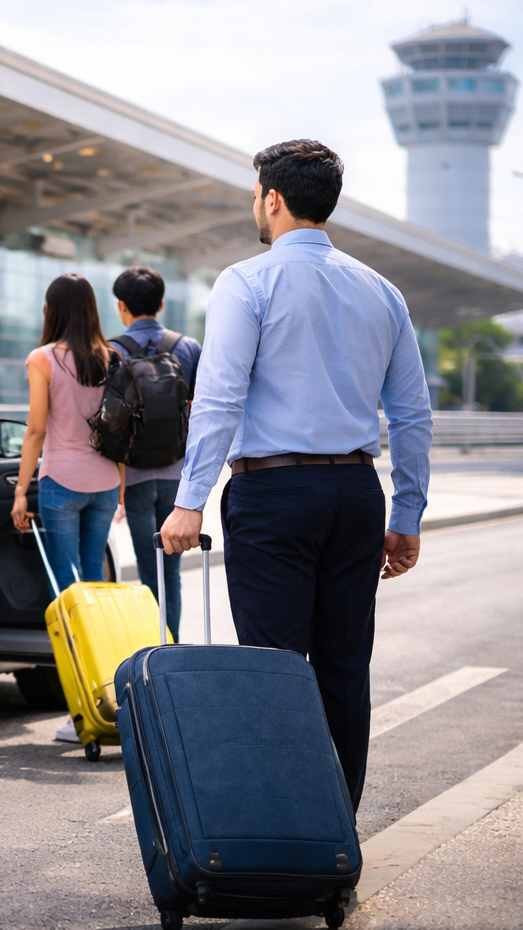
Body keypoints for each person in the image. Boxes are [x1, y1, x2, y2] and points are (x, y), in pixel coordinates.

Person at [159, 139, 432, 812]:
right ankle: (335, 835)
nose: (254, 204)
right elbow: (411, 414)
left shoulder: (246, 282)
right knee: (344, 671)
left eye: (255, 194)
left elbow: (219, 397)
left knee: (274, 670)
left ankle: (285, 829)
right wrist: (406, 516)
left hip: (272, 494)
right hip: (356, 495)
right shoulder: (382, 291)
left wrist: (190, 500)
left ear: (273, 199)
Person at [10, 275, 125, 744]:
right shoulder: (110, 357)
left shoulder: (43, 359)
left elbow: (36, 431)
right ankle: (106, 699)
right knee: (93, 589)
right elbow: (119, 424)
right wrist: (120, 484)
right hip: (104, 483)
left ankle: (79, 708)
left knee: (67, 596)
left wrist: (21, 491)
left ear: (51, 310)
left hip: (61, 483)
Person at [109, 267, 201, 642]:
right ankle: (171, 645)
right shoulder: (188, 348)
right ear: (160, 305)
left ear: (121, 306)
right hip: (177, 478)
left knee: (149, 571)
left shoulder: (111, 351)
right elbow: (203, 409)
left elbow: (107, 422)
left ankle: (153, 649)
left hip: (133, 477)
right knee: (170, 572)